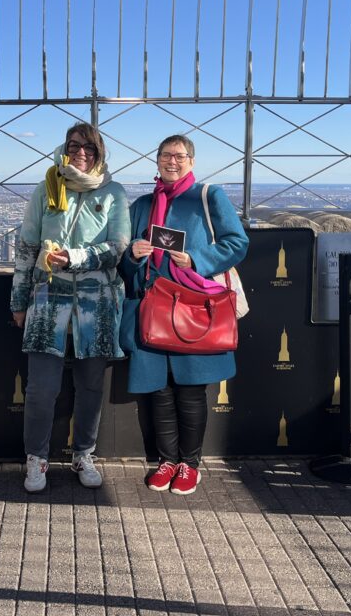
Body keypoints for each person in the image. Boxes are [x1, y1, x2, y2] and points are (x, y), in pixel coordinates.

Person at [119, 135, 248, 495]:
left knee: (190, 392)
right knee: (158, 392)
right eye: (165, 155)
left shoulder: (209, 196)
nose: (171, 161)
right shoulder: (143, 205)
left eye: (179, 156)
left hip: (192, 309)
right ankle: (167, 461)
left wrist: (196, 260)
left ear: (191, 161)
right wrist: (133, 255)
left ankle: (190, 465)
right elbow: (124, 260)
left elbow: (237, 243)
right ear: (156, 160)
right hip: (152, 308)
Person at [10, 122, 131, 493]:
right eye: (75, 146)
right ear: (65, 148)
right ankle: (36, 458)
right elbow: (28, 248)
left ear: (100, 154)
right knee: (41, 388)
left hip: (97, 304)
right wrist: (18, 301)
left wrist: (74, 257)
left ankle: (84, 453)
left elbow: (119, 247)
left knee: (90, 386)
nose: (81, 153)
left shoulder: (114, 194)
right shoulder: (46, 188)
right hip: (48, 299)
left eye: (90, 148)